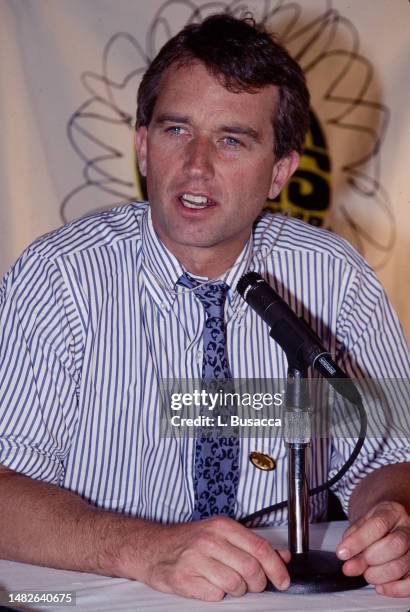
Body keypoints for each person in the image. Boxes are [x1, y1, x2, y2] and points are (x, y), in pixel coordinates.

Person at [0, 13, 409, 601]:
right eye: (175, 131)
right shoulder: (60, 277)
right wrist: (146, 549)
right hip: (104, 592)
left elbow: (393, 457)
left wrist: (391, 519)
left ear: (280, 171)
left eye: (232, 140)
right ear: (143, 146)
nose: (197, 165)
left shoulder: (332, 277)